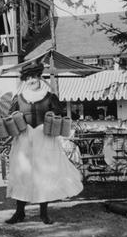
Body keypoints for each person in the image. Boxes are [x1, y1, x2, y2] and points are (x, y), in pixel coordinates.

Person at [5, 61, 83, 225]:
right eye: (28, 78)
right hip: (24, 141)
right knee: (22, 174)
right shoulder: (18, 98)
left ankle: (44, 213)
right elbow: (10, 117)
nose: (31, 80)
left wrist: (55, 123)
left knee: (44, 175)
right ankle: (19, 213)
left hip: (44, 140)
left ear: (39, 77)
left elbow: (60, 116)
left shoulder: (50, 97)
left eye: (34, 76)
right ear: (24, 80)